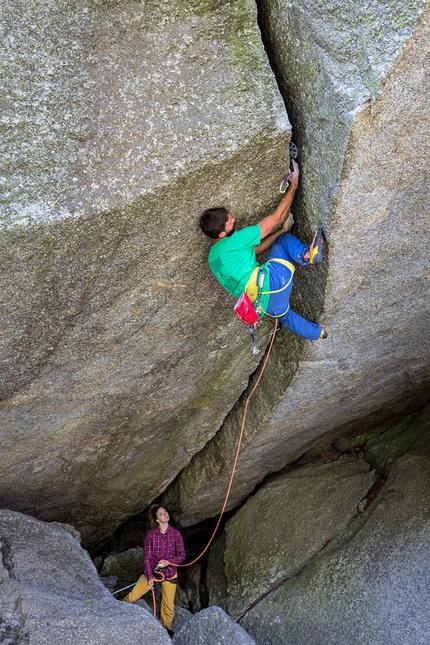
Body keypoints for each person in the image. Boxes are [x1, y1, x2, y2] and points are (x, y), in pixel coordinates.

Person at [199, 160, 327, 341]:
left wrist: (283, 229)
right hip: (274, 280)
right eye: (230, 221)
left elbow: (257, 250)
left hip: (264, 305)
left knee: (285, 316)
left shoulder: (213, 258)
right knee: (283, 242)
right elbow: (277, 217)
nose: (234, 220)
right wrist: (294, 184)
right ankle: (307, 255)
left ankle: (317, 333)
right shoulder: (234, 241)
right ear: (221, 233)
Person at [123, 505, 186, 634]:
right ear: (157, 519)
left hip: (170, 574)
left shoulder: (176, 534)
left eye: (165, 512)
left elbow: (182, 555)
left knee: (168, 609)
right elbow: (146, 558)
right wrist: (149, 576)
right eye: (161, 514)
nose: (165, 514)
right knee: (132, 596)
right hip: (152, 572)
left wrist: (169, 562)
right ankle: (117, 610)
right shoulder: (151, 535)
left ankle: (166, 633)